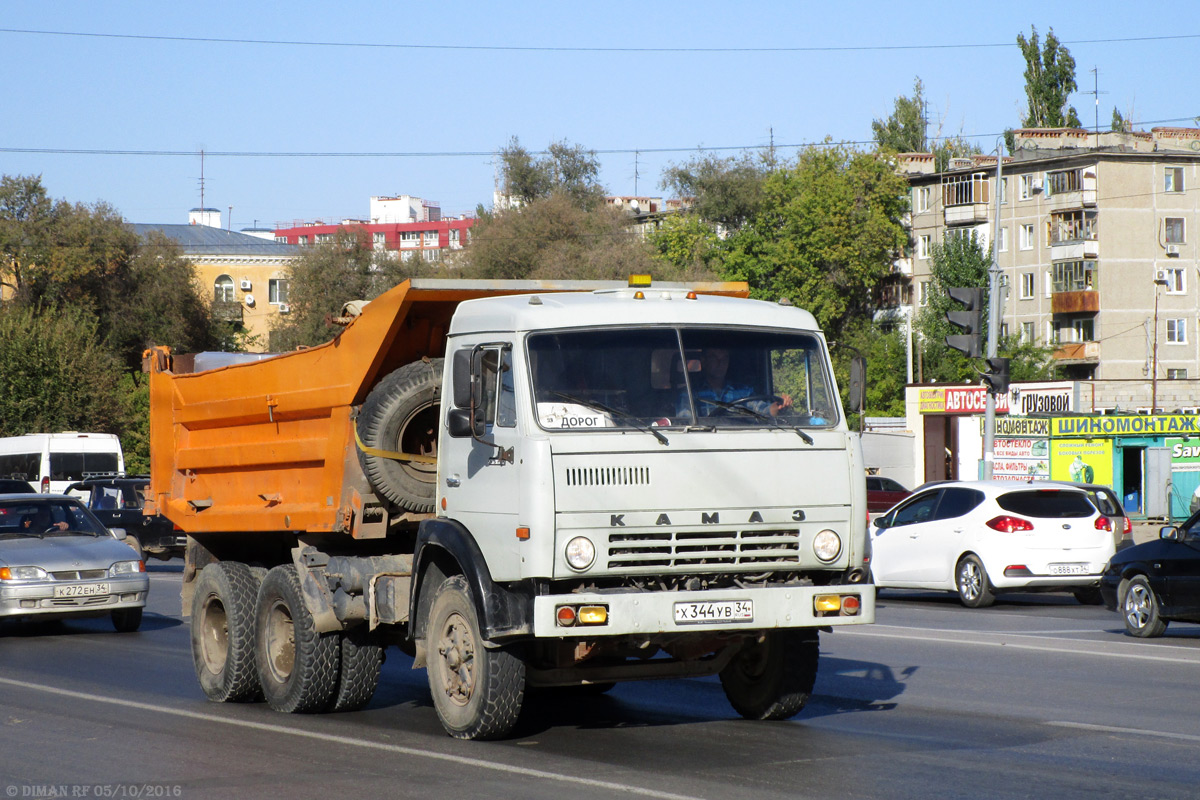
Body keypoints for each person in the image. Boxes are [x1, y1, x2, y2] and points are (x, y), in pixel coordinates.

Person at [679, 347, 792, 418]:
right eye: (714, 358)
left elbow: (763, 411)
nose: (721, 363)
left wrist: (778, 408)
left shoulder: (743, 391)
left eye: (725, 358)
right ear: (704, 361)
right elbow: (685, 422)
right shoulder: (690, 393)